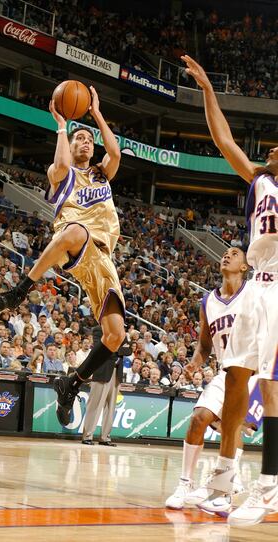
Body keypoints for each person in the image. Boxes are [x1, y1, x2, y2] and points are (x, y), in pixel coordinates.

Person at [0, 87, 125, 425]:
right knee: (77, 230)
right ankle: (21, 289)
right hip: (75, 242)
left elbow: (116, 152)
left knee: (116, 336)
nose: (86, 143)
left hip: (104, 258)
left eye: (89, 141)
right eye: (81, 139)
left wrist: (95, 113)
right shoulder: (60, 173)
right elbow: (62, 160)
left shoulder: (101, 173)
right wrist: (62, 125)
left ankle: (72, 383)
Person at [181, 54, 278, 525]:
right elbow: (224, 140)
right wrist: (207, 89)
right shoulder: (261, 181)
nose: (272, 150)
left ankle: (269, 486)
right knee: (236, 375)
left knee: (270, 383)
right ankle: (223, 480)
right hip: (257, 289)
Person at [166, 247, 253, 510]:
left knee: (231, 424)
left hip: (253, 371)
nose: (226, 255)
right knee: (198, 418)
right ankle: (185, 483)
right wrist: (193, 364)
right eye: (224, 253)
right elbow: (204, 345)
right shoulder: (209, 301)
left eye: (235, 253)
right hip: (225, 371)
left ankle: (225, 484)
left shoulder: (254, 292)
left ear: (245, 266)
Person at [82, 326, 127, 446]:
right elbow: (100, 349)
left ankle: (105, 437)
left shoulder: (122, 331)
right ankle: (87, 436)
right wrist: (118, 350)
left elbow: (128, 350)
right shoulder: (98, 330)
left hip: (116, 373)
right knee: (95, 405)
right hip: (102, 371)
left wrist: (114, 349)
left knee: (111, 407)